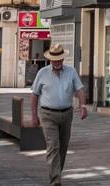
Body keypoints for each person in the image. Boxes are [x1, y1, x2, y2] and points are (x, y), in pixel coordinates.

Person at [30, 44, 87, 186]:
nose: (56, 62)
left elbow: (79, 89)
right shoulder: (42, 73)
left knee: (63, 146)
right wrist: (34, 115)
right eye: (54, 59)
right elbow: (34, 95)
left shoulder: (71, 71)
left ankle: (56, 173)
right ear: (50, 59)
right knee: (53, 145)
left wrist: (83, 105)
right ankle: (55, 180)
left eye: (59, 59)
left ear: (62, 59)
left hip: (67, 114)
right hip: (48, 114)